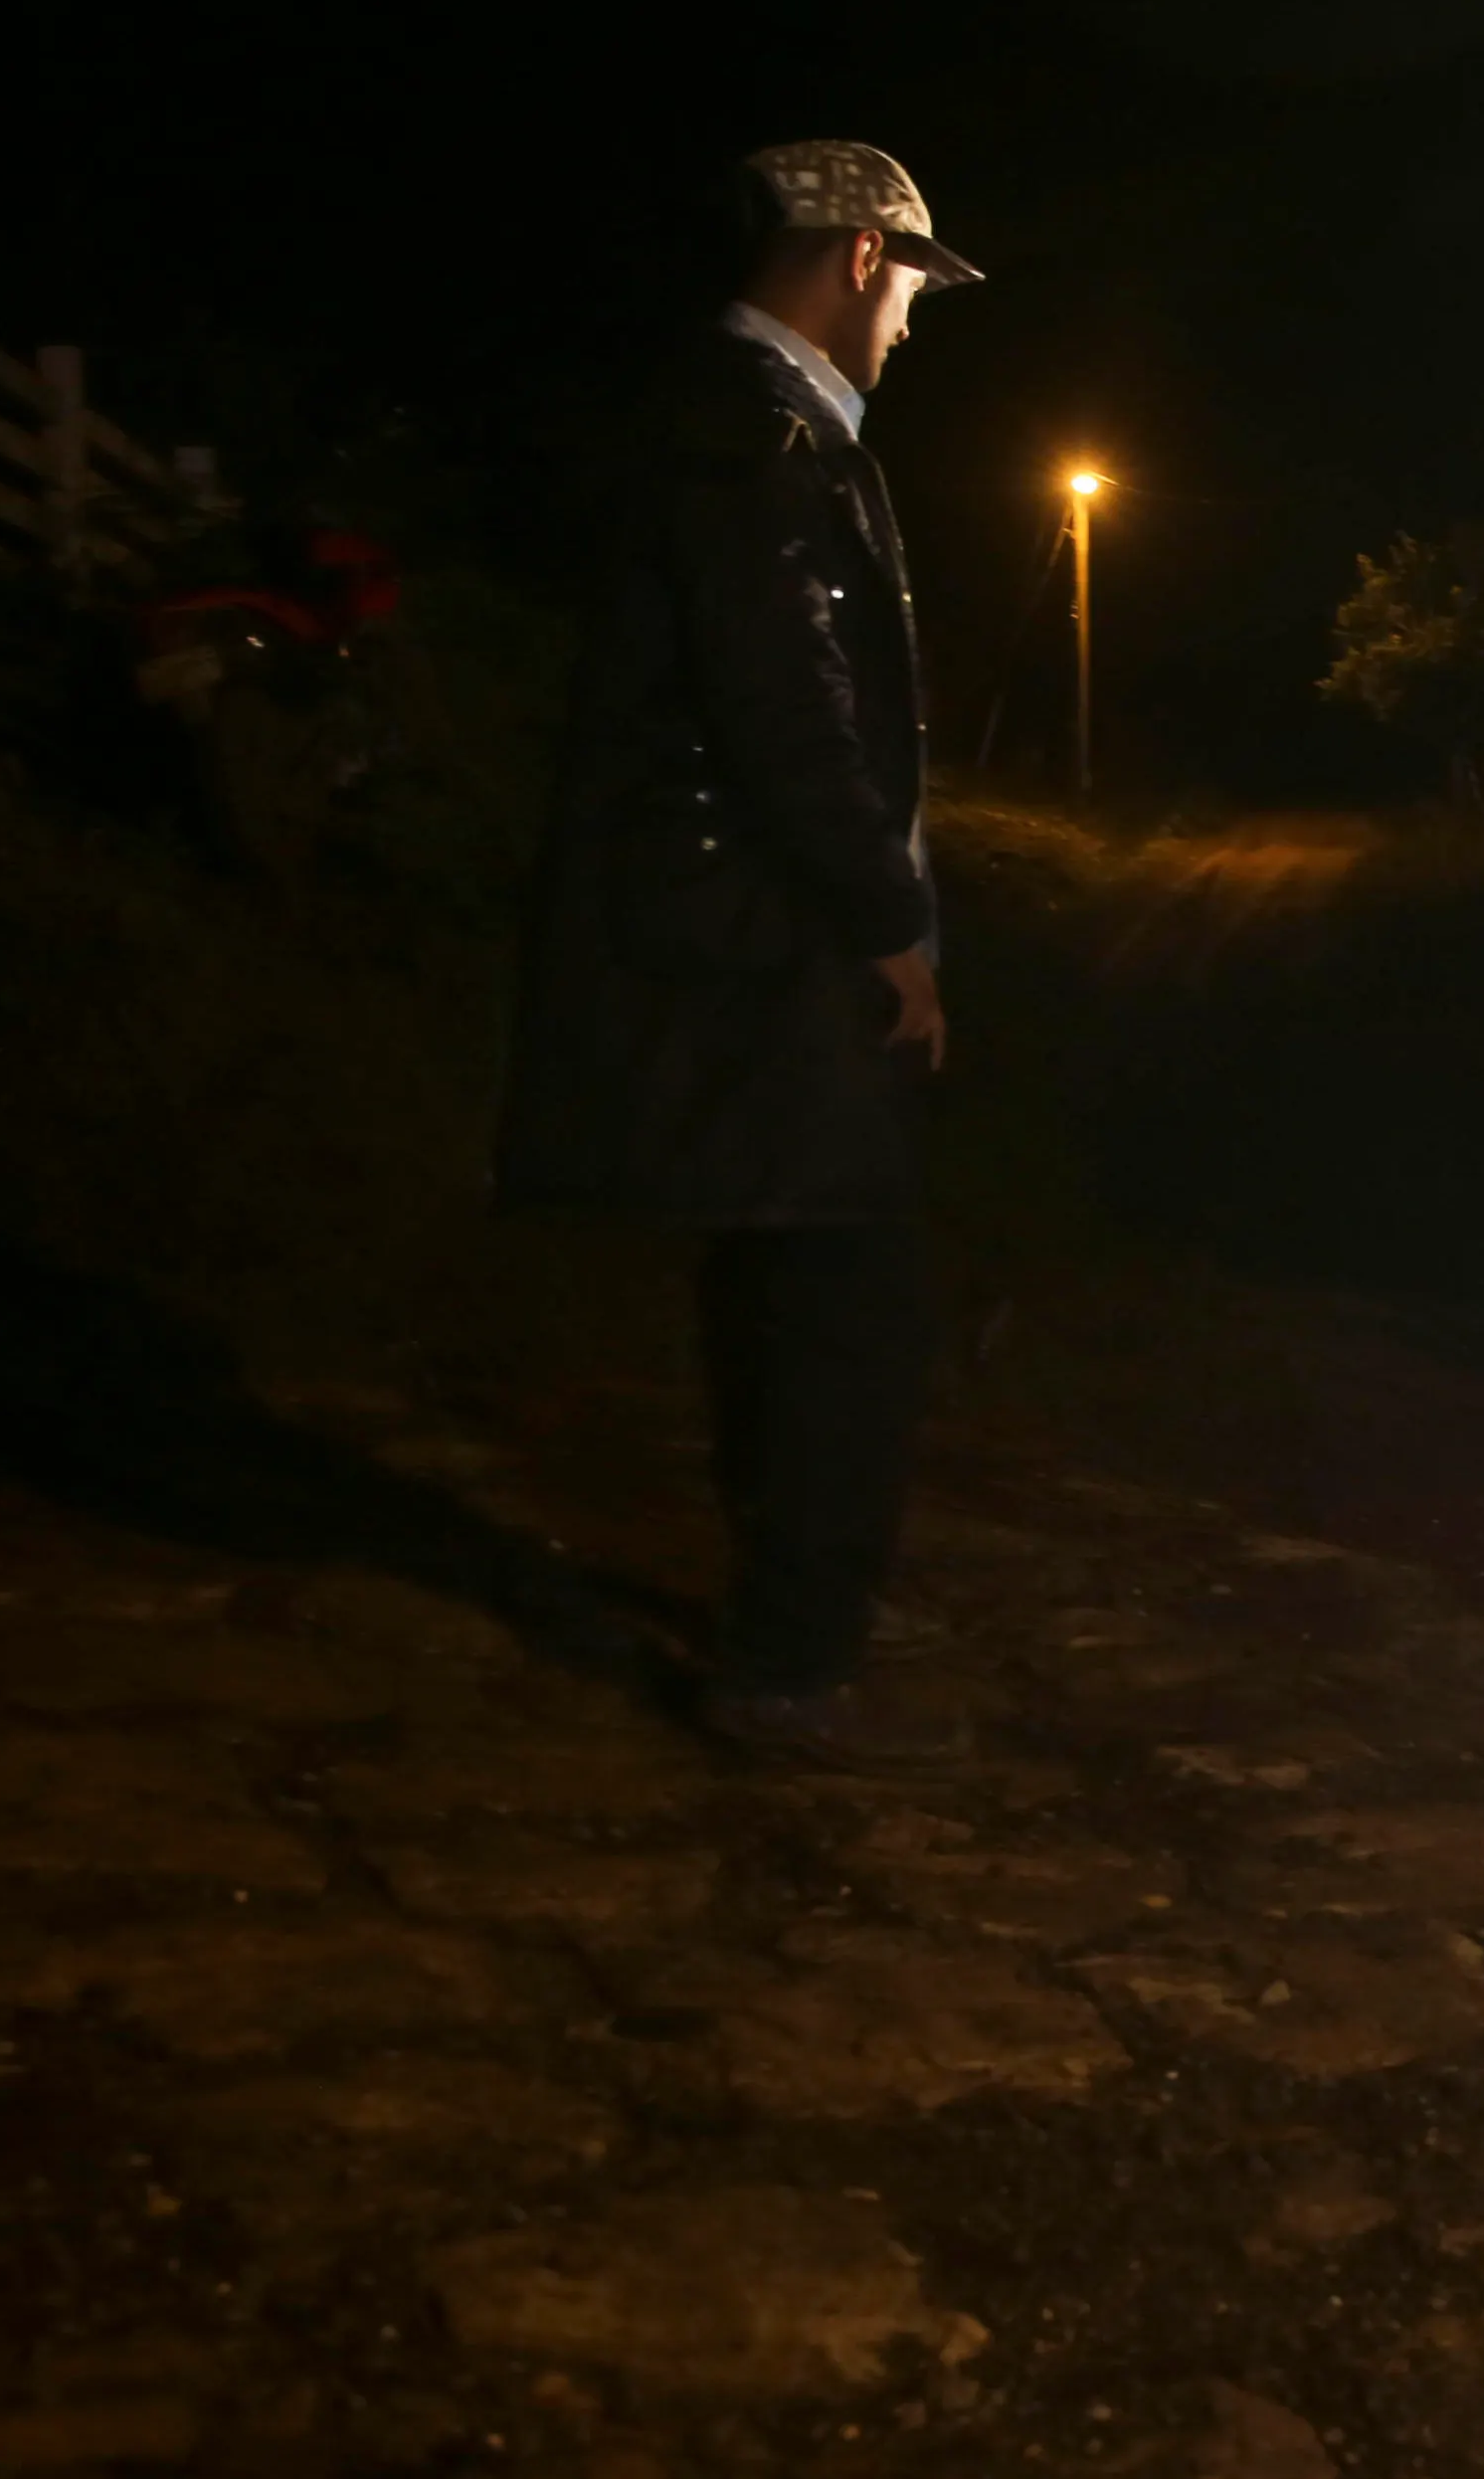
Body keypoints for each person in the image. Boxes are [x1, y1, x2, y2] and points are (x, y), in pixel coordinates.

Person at [497, 141, 976, 1773]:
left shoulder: (738, 428)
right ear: (857, 259)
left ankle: (783, 1635)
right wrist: (885, 925)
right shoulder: (762, 441)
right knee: (844, 1301)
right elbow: (793, 714)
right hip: (770, 944)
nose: (913, 320)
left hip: (746, 931)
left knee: (790, 1281)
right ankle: (790, 1659)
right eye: (912, 285)